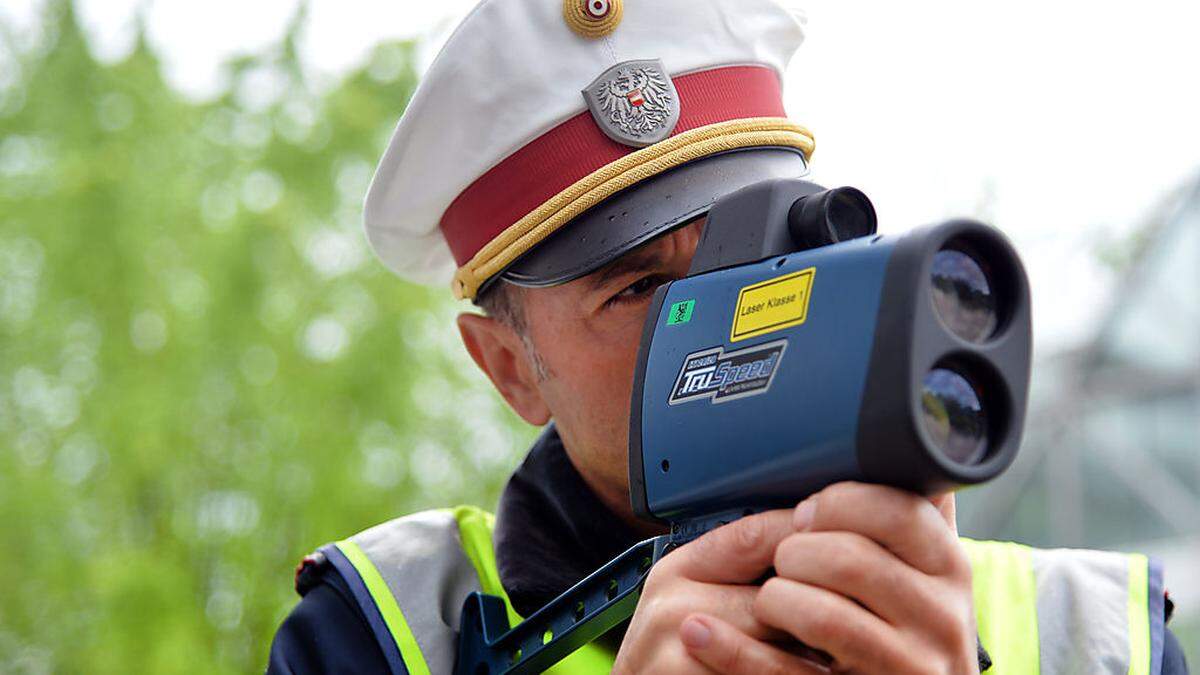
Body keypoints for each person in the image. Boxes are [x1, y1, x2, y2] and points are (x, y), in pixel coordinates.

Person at [268, 1, 1189, 673]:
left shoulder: (1101, 636)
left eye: (763, 253)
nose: (731, 312)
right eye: (640, 287)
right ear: (511, 368)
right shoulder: (379, 635)